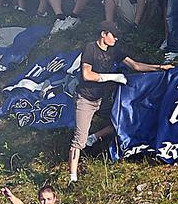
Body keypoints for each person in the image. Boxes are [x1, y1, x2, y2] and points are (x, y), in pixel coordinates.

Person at [69, 22, 170, 182]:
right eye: (113, 35)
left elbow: (135, 65)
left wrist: (159, 67)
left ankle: (94, 137)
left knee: (121, 120)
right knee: (79, 139)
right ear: (104, 34)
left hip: (103, 100)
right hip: (86, 100)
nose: (116, 38)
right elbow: (87, 75)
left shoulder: (115, 51)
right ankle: (72, 178)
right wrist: (112, 77)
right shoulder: (90, 48)